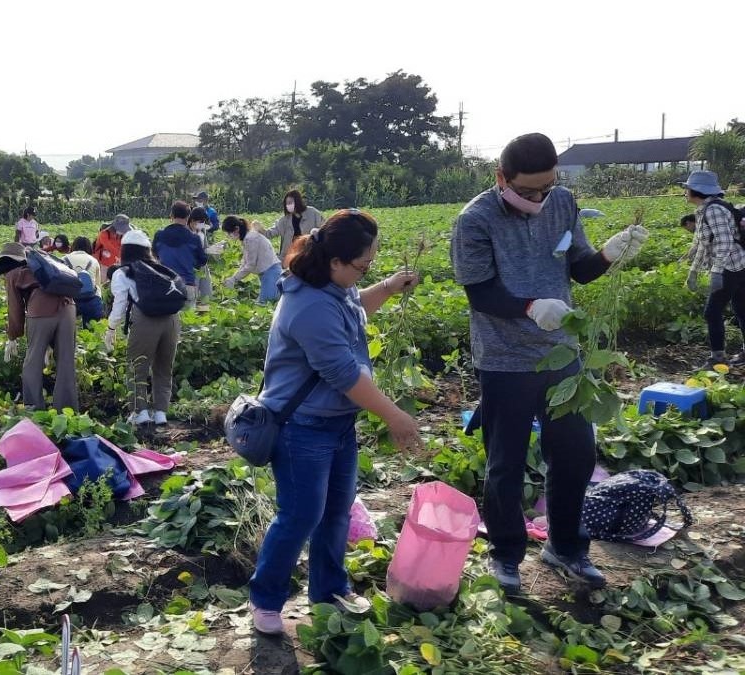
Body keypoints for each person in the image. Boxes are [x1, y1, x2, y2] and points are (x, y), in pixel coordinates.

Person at [450, 132, 649, 595]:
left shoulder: (562, 202)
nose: (539, 198)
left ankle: (565, 547)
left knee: (576, 454)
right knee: (506, 463)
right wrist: (529, 307)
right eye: (527, 190)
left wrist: (607, 254)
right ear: (502, 178)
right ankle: (506, 555)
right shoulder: (475, 220)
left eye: (546, 187)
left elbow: (578, 267)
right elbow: (479, 292)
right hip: (504, 360)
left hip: (563, 355)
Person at [248, 209, 423, 635]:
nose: (365, 272)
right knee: (301, 514)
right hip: (302, 428)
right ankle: (265, 600)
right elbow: (344, 374)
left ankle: (328, 591)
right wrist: (395, 416)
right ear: (334, 262)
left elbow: (354, 309)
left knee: (336, 512)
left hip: (336, 425)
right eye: (362, 266)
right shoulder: (307, 304)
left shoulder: (332, 288)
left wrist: (385, 286)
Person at [104, 230, 180, 426]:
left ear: (125, 250)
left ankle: (141, 413)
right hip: (172, 320)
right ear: (148, 250)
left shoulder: (123, 272)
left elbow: (120, 304)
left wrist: (111, 328)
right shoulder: (161, 269)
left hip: (145, 320)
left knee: (137, 367)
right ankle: (161, 413)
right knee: (163, 368)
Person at [0, 242, 78, 411]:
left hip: (40, 309)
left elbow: (15, 310)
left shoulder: (13, 274)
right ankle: (67, 411)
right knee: (66, 361)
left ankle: (34, 408)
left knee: (33, 361)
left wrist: (12, 336)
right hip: (68, 307)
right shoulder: (43, 265)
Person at [681, 170, 745, 369]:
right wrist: (693, 270)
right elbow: (704, 244)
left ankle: (717, 358)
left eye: (687, 188)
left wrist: (716, 271)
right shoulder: (704, 209)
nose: (685, 192)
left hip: (731, 267)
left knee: (712, 311)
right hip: (739, 265)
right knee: (741, 309)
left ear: (696, 191)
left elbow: (725, 242)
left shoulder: (713, 210)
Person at [153, 201, 207, 308]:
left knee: (169, 321)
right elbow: (202, 261)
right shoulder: (194, 238)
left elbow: (154, 255)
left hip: (166, 285)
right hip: (187, 284)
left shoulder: (159, 235)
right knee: (188, 322)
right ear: (188, 217)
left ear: (171, 215)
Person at [222, 216, 282, 303]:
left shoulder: (251, 239)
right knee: (266, 303)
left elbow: (250, 265)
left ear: (236, 229)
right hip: (267, 273)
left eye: (229, 233)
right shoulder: (247, 238)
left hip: (271, 272)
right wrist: (233, 278)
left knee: (266, 303)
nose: (228, 236)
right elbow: (245, 263)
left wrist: (234, 279)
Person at [265, 189, 325, 261]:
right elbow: (271, 232)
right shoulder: (284, 220)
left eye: (290, 203)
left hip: (309, 256)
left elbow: (324, 228)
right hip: (290, 258)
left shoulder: (312, 213)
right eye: (286, 204)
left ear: (297, 201)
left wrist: (315, 233)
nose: (288, 205)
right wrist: (260, 230)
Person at [64, 236, 104, 327]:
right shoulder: (93, 261)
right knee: (92, 331)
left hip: (69, 300)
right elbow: (98, 285)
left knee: (67, 331)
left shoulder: (64, 259)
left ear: (73, 246)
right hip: (91, 299)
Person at [94, 214, 132, 283]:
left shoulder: (122, 235)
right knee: (102, 282)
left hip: (115, 263)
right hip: (103, 262)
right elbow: (110, 248)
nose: (124, 231)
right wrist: (120, 257)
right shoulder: (104, 234)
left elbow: (123, 247)